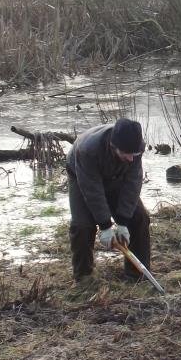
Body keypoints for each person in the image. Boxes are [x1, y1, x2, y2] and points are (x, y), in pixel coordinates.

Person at [66, 118, 151, 282]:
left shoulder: (135, 147)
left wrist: (123, 221)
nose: (131, 159)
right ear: (114, 146)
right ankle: (83, 276)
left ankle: (136, 275)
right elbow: (92, 190)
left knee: (140, 217)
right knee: (82, 225)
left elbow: (133, 182)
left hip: (117, 176)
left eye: (134, 154)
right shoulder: (88, 150)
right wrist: (105, 225)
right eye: (126, 153)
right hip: (81, 176)